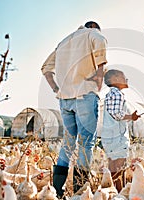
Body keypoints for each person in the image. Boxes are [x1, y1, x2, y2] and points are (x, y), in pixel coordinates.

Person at [41, 21, 107, 197]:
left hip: (65, 99)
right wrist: (100, 72)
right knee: (86, 143)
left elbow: (46, 69)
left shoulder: (63, 42)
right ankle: (79, 190)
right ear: (93, 27)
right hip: (85, 94)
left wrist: (56, 89)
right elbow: (100, 39)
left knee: (68, 143)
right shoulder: (93, 34)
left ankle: (57, 191)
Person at [101, 69, 140, 192]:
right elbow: (117, 114)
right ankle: (120, 193)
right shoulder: (118, 94)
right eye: (124, 76)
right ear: (115, 80)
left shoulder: (109, 95)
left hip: (109, 136)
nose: (126, 79)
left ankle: (113, 192)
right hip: (118, 137)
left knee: (112, 166)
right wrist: (131, 117)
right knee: (120, 167)